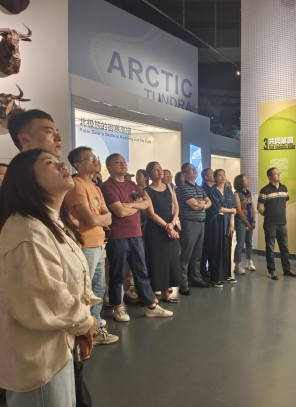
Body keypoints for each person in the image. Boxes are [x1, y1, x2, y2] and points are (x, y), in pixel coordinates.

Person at [0, 149, 99, 406]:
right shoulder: (28, 231)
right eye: (49, 163)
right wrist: (85, 322)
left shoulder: (50, 223)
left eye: (59, 161)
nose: (62, 165)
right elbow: (46, 301)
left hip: (58, 348)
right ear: (27, 179)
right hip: (39, 360)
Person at [101, 153, 173, 321]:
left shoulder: (132, 184)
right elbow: (119, 211)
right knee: (117, 273)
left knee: (141, 270)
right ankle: (118, 307)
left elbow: (147, 203)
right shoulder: (107, 186)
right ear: (109, 167)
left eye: (123, 161)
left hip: (136, 233)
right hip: (118, 235)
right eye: (117, 162)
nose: (122, 164)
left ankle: (150, 305)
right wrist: (135, 207)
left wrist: (131, 204)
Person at [66, 146, 119, 347]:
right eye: (90, 158)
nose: (96, 160)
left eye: (95, 157)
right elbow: (91, 219)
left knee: (98, 289)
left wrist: (99, 218)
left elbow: (108, 217)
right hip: (85, 245)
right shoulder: (76, 185)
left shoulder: (95, 187)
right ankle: (82, 333)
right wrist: (99, 218)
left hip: (99, 243)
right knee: (84, 291)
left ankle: (94, 329)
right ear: (77, 165)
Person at [144, 161, 183, 302]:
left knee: (171, 260)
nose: (160, 171)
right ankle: (153, 294)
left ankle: (166, 292)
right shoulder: (146, 191)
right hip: (155, 230)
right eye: (155, 169)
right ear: (149, 174)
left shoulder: (170, 187)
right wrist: (167, 226)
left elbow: (176, 207)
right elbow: (151, 213)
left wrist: (172, 223)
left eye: (160, 168)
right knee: (156, 261)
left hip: (170, 228)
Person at [258, 167, 296, 280]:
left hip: (282, 223)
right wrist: (269, 215)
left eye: (279, 173)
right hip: (270, 224)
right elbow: (260, 207)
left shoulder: (284, 188)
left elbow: (286, 203)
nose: (279, 174)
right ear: (270, 177)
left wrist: (279, 213)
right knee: (270, 248)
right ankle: (271, 271)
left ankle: (287, 269)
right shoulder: (265, 190)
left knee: (284, 247)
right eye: (276, 173)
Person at [177, 162, 212, 295]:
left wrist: (203, 204)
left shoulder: (199, 187)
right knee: (186, 254)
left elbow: (209, 202)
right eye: (191, 169)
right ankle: (183, 283)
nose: (194, 170)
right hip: (189, 223)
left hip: (201, 223)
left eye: (195, 168)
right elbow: (193, 205)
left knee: (198, 254)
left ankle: (196, 278)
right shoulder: (183, 188)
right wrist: (203, 204)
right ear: (184, 174)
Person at [207, 169, 237, 287]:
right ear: (215, 178)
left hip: (227, 222)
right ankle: (215, 277)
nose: (223, 177)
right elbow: (217, 208)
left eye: (224, 175)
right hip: (216, 221)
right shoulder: (212, 191)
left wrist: (231, 224)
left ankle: (226, 275)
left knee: (226, 248)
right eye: (220, 175)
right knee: (216, 248)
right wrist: (232, 210)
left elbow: (234, 207)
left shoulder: (229, 190)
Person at [233, 174, 256, 274]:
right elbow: (239, 210)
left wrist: (253, 221)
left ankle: (249, 261)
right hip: (241, 221)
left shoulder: (249, 192)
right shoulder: (237, 194)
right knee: (240, 243)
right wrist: (247, 223)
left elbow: (252, 207)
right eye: (245, 180)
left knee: (249, 242)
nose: (247, 181)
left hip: (250, 220)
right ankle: (237, 264)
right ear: (240, 182)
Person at [200, 167, 216, 279]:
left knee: (213, 245)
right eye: (212, 173)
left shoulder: (215, 188)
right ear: (206, 177)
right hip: (206, 220)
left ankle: (212, 267)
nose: (214, 175)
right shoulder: (203, 189)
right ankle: (202, 269)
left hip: (215, 220)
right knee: (205, 246)